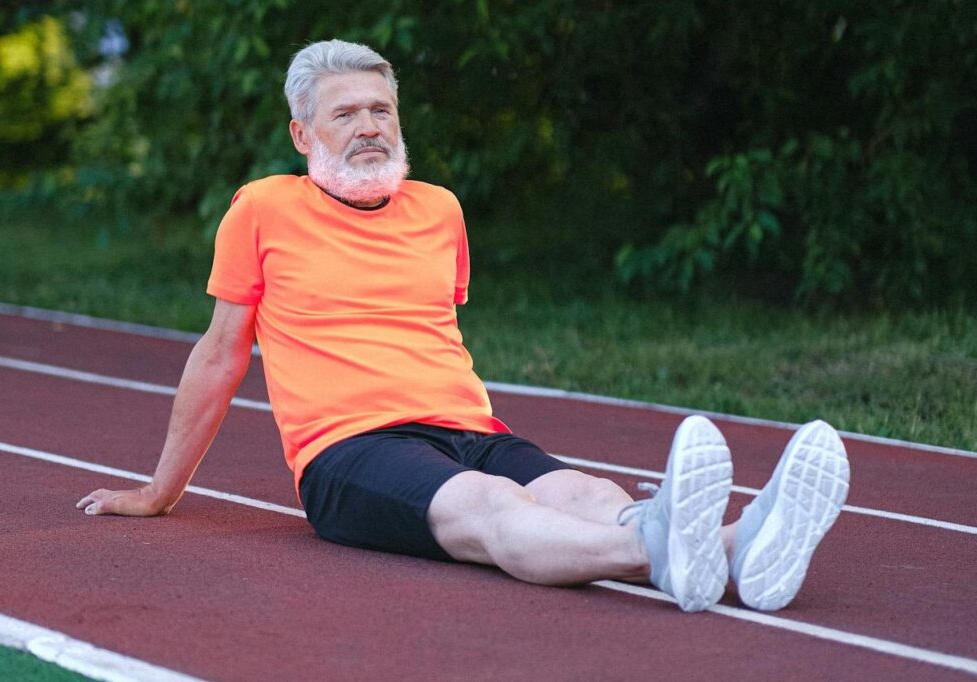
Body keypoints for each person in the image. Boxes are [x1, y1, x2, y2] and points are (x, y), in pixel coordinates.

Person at [76, 39, 850, 613]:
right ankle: (669, 546)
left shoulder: (439, 208)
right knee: (490, 507)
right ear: (302, 135)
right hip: (349, 453)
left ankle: (737, 547)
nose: (369, 126)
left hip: (468, 424)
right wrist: (159, 490)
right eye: (344, 114)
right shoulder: (262, 208)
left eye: (381, 109)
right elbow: (219, 356)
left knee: (582, 489)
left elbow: (431, 333)